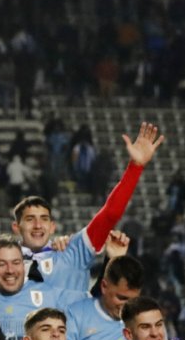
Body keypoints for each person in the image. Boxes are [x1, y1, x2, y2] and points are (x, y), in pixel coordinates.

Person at [11, 123, 162, 295]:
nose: (38, 225)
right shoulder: (4, 264)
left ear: (53, 227)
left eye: (44, 219)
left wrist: (135, 167)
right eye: (30, 219)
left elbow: (110, 214)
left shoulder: (73, 251)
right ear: (16, 227)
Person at [0, 236, 85, 340]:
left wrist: (109, 258)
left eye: (16, 263)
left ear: (23, 266)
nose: (10, 270)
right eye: (1, 264)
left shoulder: (48, 293)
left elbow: (100, 297)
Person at [65, 255, 145, 340]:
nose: (128, 306)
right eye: (122, 298)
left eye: (134, 300)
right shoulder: (75, 314)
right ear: (104, 286)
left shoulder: (147, 318)